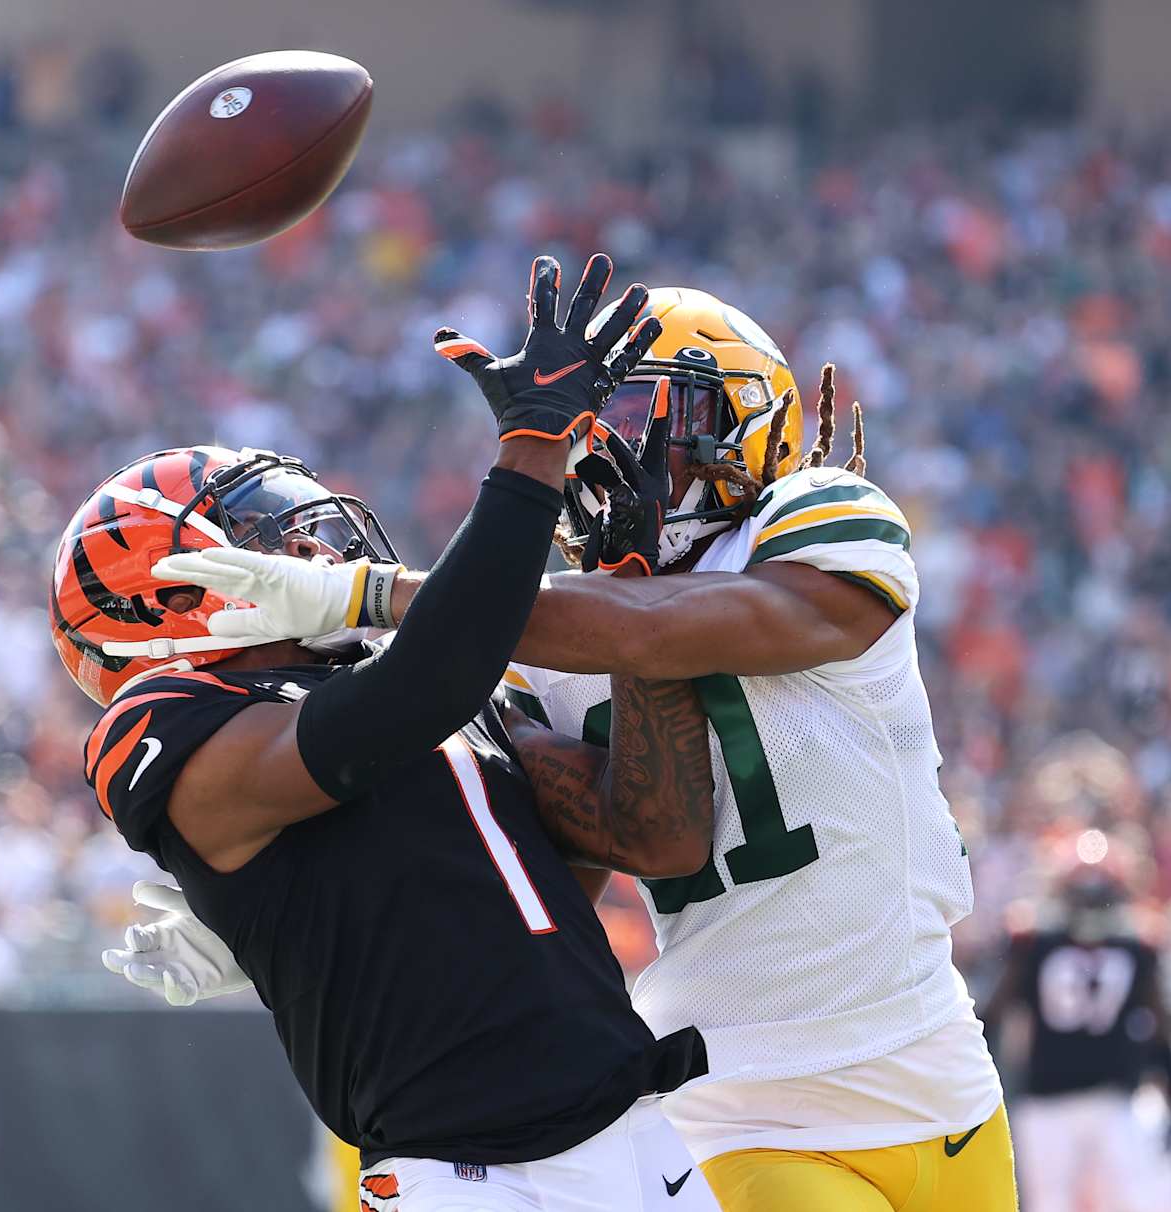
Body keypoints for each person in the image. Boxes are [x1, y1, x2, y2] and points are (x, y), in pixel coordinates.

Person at [106, 287, 1016, 1211]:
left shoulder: (809, 518)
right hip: (737, 1096)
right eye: (592, 425)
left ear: (741, 416)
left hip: (931, 1059)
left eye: (637, 414)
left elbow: (699, 623)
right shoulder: (549, 642)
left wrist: (378, 595)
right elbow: (562, 874)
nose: (609, 450)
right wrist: (290, 921)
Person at [62, 253, 727, 1211]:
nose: (308, 545)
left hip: (635, 1141)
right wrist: (532, 449)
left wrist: (637, 598)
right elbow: (419, 690)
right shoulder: (173, 727)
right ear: (165, 604)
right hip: (468, 1182)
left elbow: (657, 835)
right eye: (258, 535)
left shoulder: (404, 685)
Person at [981, 857, 1171, 1212]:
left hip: (1093, 1100)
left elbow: (993, 1014)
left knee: (1091, 1200)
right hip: (1075, 1101)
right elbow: (1162, 1029)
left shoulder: (1036, 942)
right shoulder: (1129, 946)